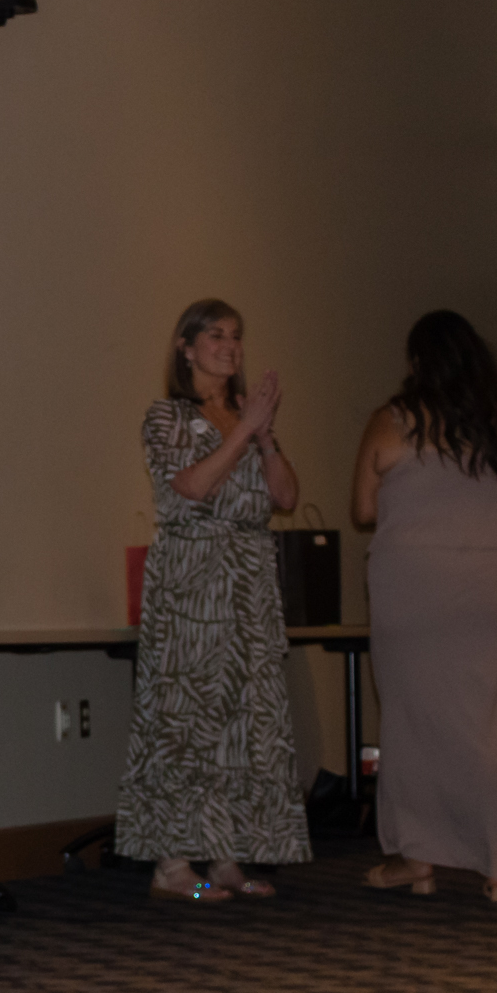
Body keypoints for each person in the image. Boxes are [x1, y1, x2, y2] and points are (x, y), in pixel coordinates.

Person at [116, 299, 308, 901]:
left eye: (236, 336)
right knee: (187, 718)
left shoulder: (243, 418)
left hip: (249, 578)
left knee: (245, 720)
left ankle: (227, 857)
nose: (230, 346)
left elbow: (284, 498)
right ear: (186, 347)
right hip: (194, 579)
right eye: (216, 335)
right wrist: (244, 430)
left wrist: (265, 436)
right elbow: (190, 489)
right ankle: (173, 868)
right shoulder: (169, 416)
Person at [355, 310, 497, 901]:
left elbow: (363, 509)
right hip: (489, 588)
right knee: (495, 725)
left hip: (412, 590)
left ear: (417, 364)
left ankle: (417, 858)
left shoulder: (390, 421)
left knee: (411, 723)